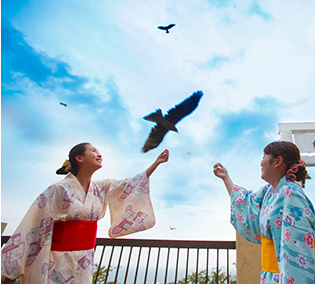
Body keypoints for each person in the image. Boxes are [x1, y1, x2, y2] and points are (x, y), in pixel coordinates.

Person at [1, 143, 169, 284]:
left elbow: (129, 185)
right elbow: (34, 225)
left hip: (85, 259)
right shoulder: (58, 189)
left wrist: (156, 163)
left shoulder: (101, 188)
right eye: (93, 150)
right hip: (57, 259)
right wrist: (11, 268)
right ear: (79, 158)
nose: (99, 153)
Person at [213, 141, 315, 284]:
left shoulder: (290, 193)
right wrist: (226, 177)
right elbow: (246, 203)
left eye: (264, 156)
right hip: (271, 276)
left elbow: (300, 247)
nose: (261, 162)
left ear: (278, 161)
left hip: (287, 277)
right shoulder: (268, 192)